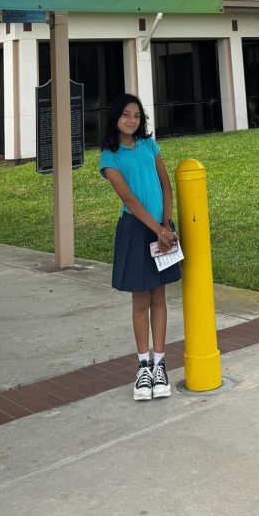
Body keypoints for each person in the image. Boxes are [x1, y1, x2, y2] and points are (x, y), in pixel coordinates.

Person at [99, 94, 180, 401]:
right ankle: (143, 367)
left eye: (136, 115)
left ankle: (160, 365)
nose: (132, 120)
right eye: (125, 115)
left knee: (159, 296)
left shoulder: (149, 145)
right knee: (140, 300)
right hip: (137, 231)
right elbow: (129, 199)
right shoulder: (110, 155)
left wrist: (167, 225)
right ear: (115, 119)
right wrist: (157, 229)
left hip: (163, 231)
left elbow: (166, 185)